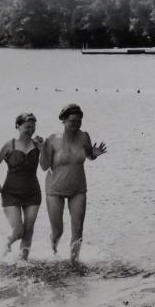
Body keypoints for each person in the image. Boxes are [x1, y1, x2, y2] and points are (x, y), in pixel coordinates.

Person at [40, 103, 106, 263]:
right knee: (58, 231)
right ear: (63, 120)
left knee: (78, 230)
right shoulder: (53, 139)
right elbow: (44, 166)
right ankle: (53, 253)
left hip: (78, 189)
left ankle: (74, 262)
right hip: (55, 190)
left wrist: (94, 155)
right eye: (72, 122)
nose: (76, 125)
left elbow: (89, 155)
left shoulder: (84, 137)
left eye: (79, 122)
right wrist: (42, 149)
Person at [0, 112, 44, 261]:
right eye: (27, 127)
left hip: (33, 193)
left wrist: (42, 148)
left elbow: (47, 164)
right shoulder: (10, 144)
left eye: (33, 127)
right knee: (18, 231)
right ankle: (5, 246)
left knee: (28, 231)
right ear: (17, 126)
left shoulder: (37, 144)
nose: (31, 130)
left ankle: (23, 262)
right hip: (11, 193)